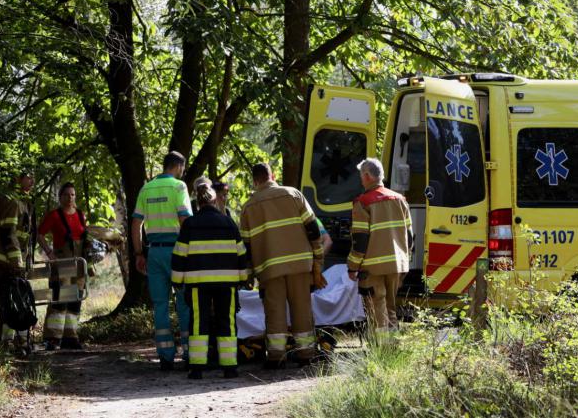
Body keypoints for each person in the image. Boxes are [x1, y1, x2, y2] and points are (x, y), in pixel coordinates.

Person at [239, 163, 326, 368]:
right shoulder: (293, 194)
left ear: (255, 181)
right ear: (273, 176)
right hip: (300, 265)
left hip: (269, 269)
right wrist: (317, 260)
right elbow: (313, 229)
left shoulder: (248, 208)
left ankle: (276, 357)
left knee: (275, 312)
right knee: (302, 310)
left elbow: (246, 248)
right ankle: (306, 353)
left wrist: (248, 276)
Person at [172, 183, 249, 379]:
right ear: (215, 201)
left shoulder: (189, 224)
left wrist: (177, 281)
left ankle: (197, 368)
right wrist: (243, 279)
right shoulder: (228, 223)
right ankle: (230, 367)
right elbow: (241, 254)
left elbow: (179, 255)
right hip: (227, 283)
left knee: (199, 322)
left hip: (198, 283)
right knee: (227, 321)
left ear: (198, 203)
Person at [132, 151, 193, 371]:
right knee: (184, 302)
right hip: (177, 251)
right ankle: (189, 353)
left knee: (160, 305)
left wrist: (139, 253)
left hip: (154, 253)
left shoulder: (146, 188)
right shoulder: (179, 187)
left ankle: (165, 356)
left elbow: (136, 224)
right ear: (178, 167)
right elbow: (185, 219)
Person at [347, 158, 413, 336]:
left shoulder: (363, 202)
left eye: (361, 176)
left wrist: (352, 267)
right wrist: (405, 261)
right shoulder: (400, 200)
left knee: (377, 307)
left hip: (372, 267)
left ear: (367, 176)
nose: (361, 180)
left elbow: (360, 240)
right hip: (397, 264)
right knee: (391, 307)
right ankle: (392, 344)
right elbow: (409, 237)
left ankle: (381, 347)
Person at [0, 172, 33, 356]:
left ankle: (5, 343)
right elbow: (8, 233)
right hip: (4, 262)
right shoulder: (11, 200)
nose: (32, 181)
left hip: (10, 262)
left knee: (8, 302)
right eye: (28, 177)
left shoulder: (20, 201)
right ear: (18, 178)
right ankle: (1, 344)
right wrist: (16, 261)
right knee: (8, 302)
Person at [37, 182, 88, 350]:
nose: (70, 198)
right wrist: (49, 253)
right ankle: (52, 338)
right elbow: (39, 234)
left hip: (79, 263)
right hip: (62, 263)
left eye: (72, 195)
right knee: (60, 298)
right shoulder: (54, 215)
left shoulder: (81, 215)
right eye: (66, 195)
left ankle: (70, 337)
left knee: (76, 299)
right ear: (60, 197)